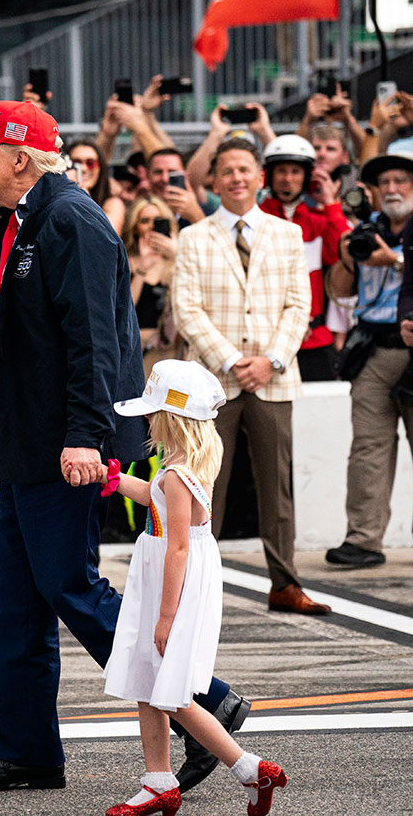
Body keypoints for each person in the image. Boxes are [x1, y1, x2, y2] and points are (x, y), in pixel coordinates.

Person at [0, 100, 248, 795]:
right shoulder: (21, 217)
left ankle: (208, 701)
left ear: (20, 159)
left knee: (71, 588)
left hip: (62, 445)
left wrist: (85, 436)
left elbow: (95, 342)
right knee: (15, 608)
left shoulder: (71, 220)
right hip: (27, 445)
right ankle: (26, 753)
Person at [101, 360, 287, 816]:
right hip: (165, 573)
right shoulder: (179, 468)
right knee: (148, 680)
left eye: (151, 412)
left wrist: (166, 616)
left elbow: (178, 548)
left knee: (172, 694)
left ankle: (249, 767)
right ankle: (158, 781)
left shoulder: (178, 477)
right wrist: (115, 480)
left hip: (174, 582)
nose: (146, 419)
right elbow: (154, 499)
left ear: (170, 418)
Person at [171, 137, 329, 616]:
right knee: (203, 484)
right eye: (228, 171)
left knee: (275, 484)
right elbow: (186, 308)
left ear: (259, 178)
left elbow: (299, 305)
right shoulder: (194, 236)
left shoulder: (286, 233)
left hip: (274, 377)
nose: (237, 177)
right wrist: (228, 360)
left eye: (245, 169)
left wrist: (271, 360)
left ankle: (284, 582)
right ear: (214, 182)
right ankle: (194, 585)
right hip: (212, 383)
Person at [327, 150, 413, 568]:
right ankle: (363, 539)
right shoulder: (366, 230)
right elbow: (339, 293)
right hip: (374, 351)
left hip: (412, 347)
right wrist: (350, 254)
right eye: (385, 183)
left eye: (402, 180)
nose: (393, 189)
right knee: (367, 448)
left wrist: (394, 259)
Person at [258, 135, 350, 381]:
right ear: (268, 176)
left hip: (314, 339)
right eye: (281, 171)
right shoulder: (254, 218)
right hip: (265, 338)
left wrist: (330, 203)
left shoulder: (320, 220)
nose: (288, 179)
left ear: (307, 177)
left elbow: (346, 253)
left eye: (296, 172)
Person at [122, 196, 180, 377]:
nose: (151, 226)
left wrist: (176, 256)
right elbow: (125, 308)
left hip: (171, 351)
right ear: (135, 226)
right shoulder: (126, 261)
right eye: (144, 221)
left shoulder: (178, 261)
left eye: (158, 220)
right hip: (137, 349)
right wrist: (141, 271)